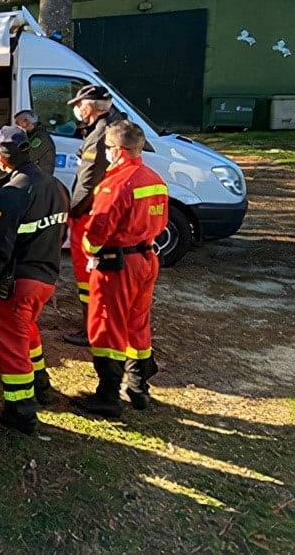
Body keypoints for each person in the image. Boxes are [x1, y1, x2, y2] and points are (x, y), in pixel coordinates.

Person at [72, 121, 168, 417]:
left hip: (117, 266)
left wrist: (90, 250)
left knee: (106, 327)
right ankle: (139, 387)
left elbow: (98, 228)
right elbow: (161, 222)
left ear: (115, 150)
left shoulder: (116, 183)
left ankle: (108, 396)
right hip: (147, 258)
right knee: (137, 324)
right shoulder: (154, 178)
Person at [0, 126, 69, 435]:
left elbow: (0, 246)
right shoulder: (56, 187)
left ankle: (21, 411)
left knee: (11, 348)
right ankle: (42, 386)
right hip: (46, 277)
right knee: (27, 334)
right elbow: (62, 233)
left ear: (4, 159)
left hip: (17, 282)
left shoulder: (12, 193)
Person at [63, 85, 124, 347]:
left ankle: (92, 328)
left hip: (89, 214)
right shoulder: (114, 124)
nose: (76, 109)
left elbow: (86, 182)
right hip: (106, 210)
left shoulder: (100, 135)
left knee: (88, 277)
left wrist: (72, 212)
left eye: (79, 104)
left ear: (89, 107)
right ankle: (99, 322)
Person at [13, 110, 56, 176]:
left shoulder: (41, 137)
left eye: (18, 123)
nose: (16, 126)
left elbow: (29, 156)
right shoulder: (31, 134)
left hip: (40, 178)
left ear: (26, 121)